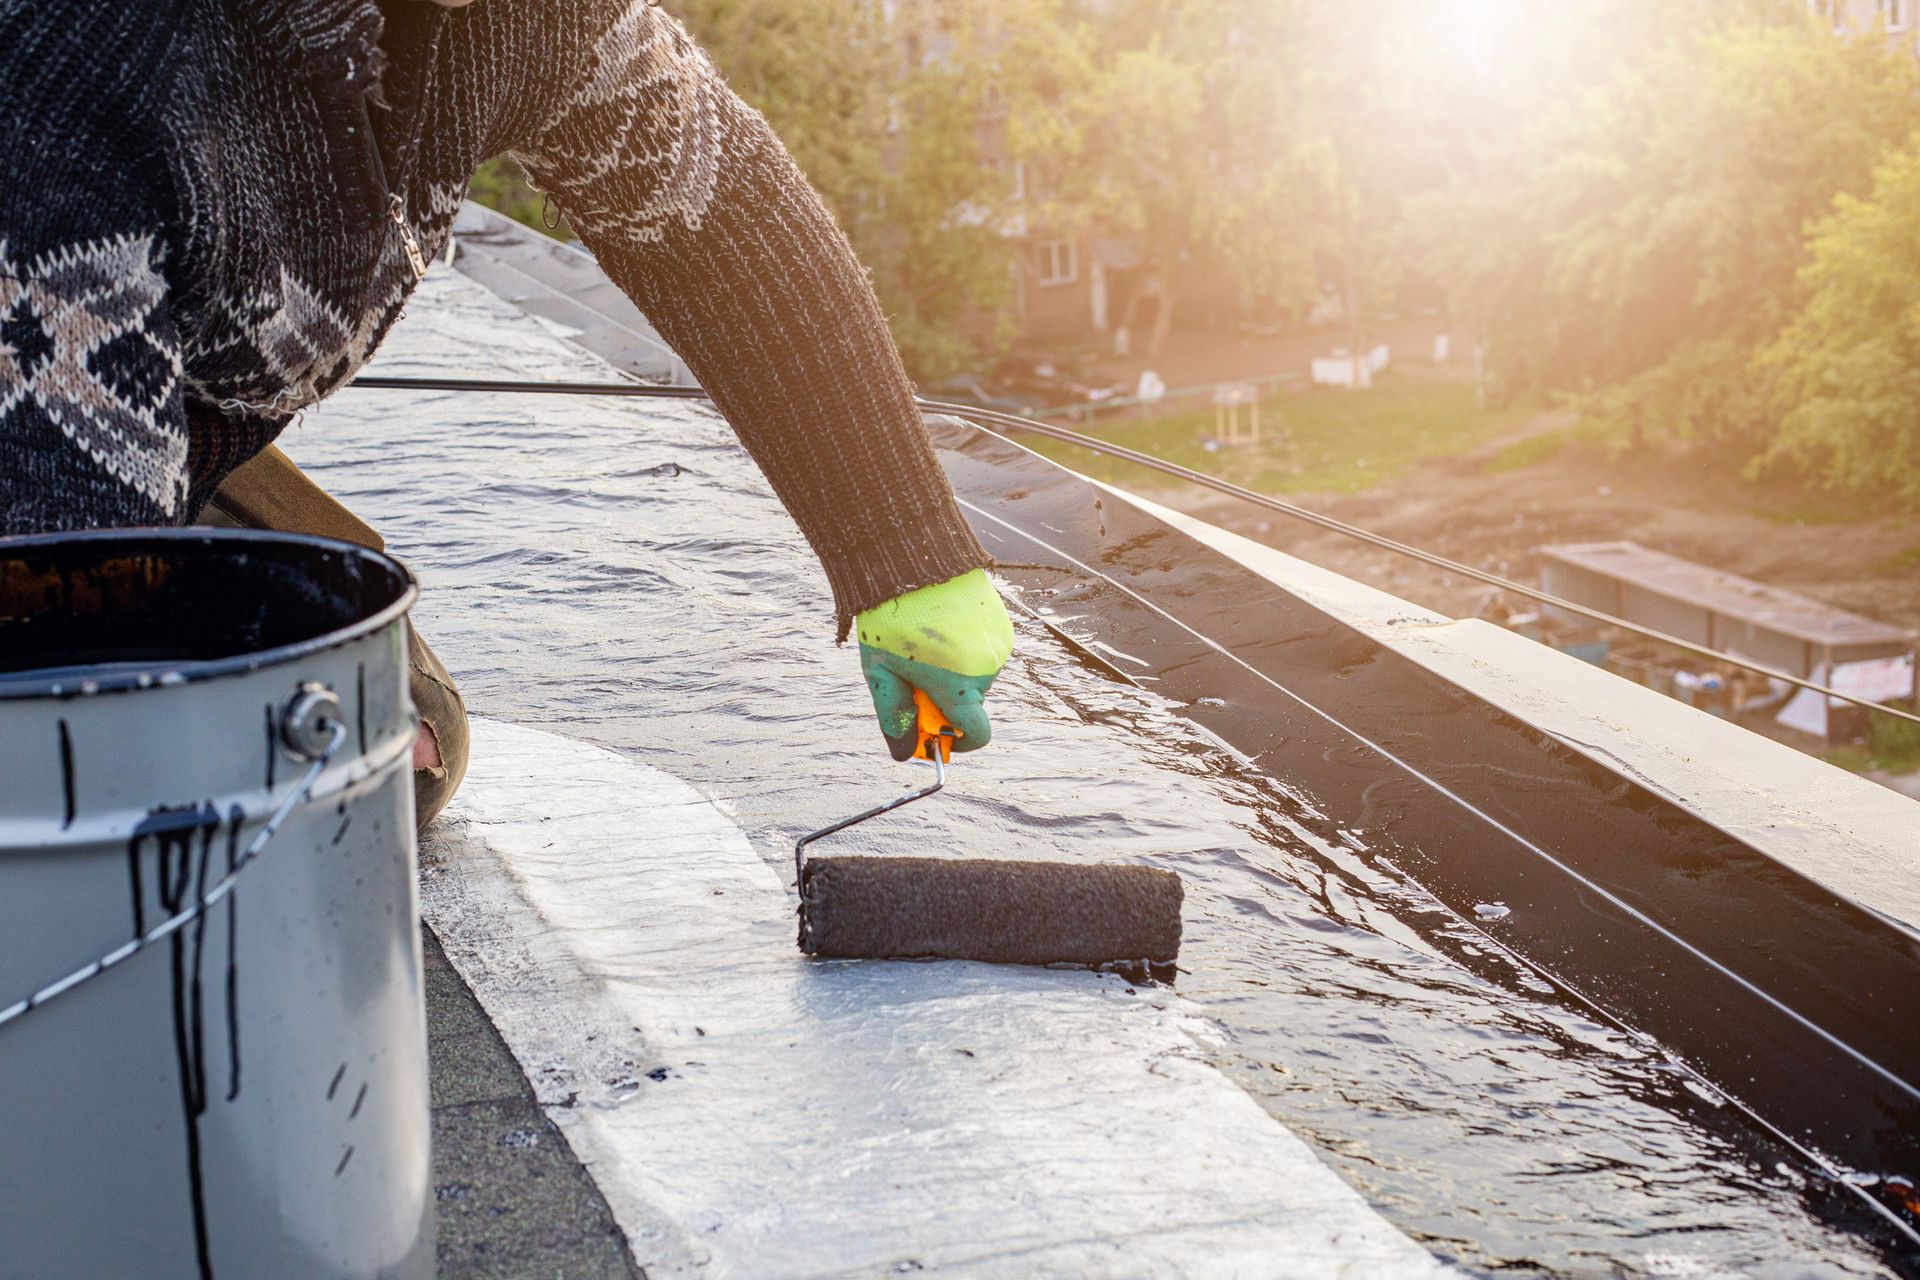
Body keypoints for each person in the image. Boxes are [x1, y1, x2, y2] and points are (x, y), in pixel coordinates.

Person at [0, 0, 1015, 826]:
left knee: (383, 762)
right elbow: (60, 629)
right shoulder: (83, 58)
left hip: (148, 455)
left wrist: (905, 556)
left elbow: (715, 208)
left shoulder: (513, 18)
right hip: (32, 492)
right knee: (207, 810)